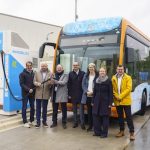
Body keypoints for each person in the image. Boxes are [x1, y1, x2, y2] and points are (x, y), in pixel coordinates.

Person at [112, 65, 135, 140]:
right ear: (116, 70)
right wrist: (116, 95)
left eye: (121, 69)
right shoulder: (113, 77)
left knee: (129, 117)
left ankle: (132, 133)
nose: (120, 70)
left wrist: (120, 96)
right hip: (117, 101)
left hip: (126, 101)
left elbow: (129, 88)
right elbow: (112, 89)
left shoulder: (128, 77)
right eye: (119, 69)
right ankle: (121, 131)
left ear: (123, 70)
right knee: (120, 117)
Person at [92, 67, 113, 138]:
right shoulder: (96, 80)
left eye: (103, 71)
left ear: (105, 72)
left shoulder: (108, 81)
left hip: (105, 102)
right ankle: (97, 132)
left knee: (105, 118)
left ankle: (104, 133)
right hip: (97, 101)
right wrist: (92, 101)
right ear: (99, 72)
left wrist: (110, 103)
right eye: (100, 71)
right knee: (96, 117)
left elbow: (111, 93)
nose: (102, 73)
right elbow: (94, 92)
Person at [34, 63, 53, 128]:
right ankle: (38, 122)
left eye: (44, 66)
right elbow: (34, 81)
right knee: (38, 109)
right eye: (42, 66)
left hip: (46, 93)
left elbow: (52, 83)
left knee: (45, 109)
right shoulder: (37, 73)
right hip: (38, 93)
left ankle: (44, 122)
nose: (43, 67)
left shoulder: (50, 73)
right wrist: (37, 83)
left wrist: (50, 83)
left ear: (47, 66)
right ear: (41, 67)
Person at [80, 63, 98, 131]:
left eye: (92, 67)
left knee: (95, 112)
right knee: (89, 112)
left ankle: (96, 126)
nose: (91, 68)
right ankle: (90, 126)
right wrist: (86, 91)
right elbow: (83, 85)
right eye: (89, 67)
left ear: (94, 68)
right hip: (87, 96)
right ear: (88, 68)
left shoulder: (97, 75)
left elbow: (99, 85)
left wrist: (93, 92)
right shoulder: (86, 75)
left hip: (95, 96)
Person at [50, 64, 68, 129]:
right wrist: (51, 81)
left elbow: (63, 82)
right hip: (55, 94)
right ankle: (54, 122)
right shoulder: (54, 74)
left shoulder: (65, 75)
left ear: (62, 69)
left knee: (64, 110)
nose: (59, 69)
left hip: (62, 94)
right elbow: (51, 83)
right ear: (56, 69)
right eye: (58, 68)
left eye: (60, 68)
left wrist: (55, 81)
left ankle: (64, 123)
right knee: (54, 110)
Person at [68, 62, 85, 128]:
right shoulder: (70, 73)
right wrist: (69, 94)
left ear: (79, 66)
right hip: (73, 95)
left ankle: (82, 124)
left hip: (81, 95)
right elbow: (69, 84)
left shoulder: (83, 73)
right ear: (73, 66)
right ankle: (75, 123)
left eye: (76, 65)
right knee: (74, 111)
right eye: (74, 65)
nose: (75, 66)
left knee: (81, 111)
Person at [19, 61, 35, 128]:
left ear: (32, 66)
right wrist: (28, 89)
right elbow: (21, 84)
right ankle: (25, 122)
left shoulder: (34, 74)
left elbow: (35, 82)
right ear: (26, 66)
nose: (29, 66)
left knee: (32, 107)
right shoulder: (22, 74)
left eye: (30, 65)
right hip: (25, 93)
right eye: (28, 65)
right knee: (24, 107)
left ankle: (31, 121)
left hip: (32, 93)